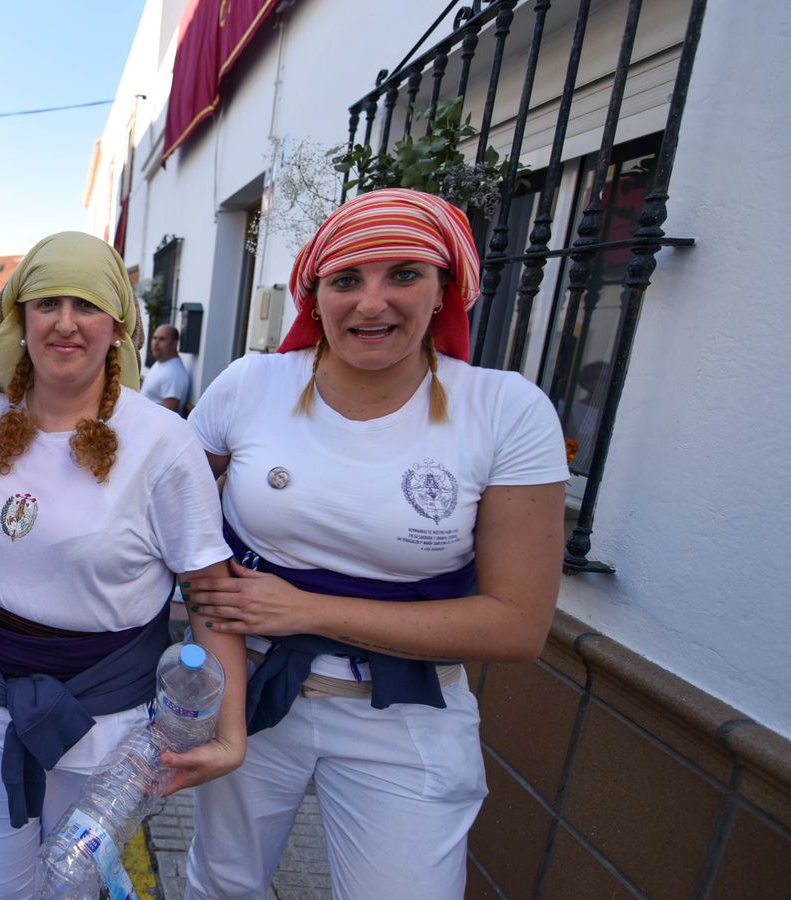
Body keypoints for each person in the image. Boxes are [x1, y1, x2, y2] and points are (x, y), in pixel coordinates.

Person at [182, 188, 568, 899]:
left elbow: (518, 626)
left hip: (409, 711)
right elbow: (176, 520)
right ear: (315, 294)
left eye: (404, 274)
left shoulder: (506, 411)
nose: (371, 303)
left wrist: (307, 611)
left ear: (445, 288)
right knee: (222, 885)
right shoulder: (251, 385)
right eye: (347, 280)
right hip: (253, 689)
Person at [0, 232, 247, 897]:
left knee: (76, 891)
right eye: (46, 302)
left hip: (107, 728)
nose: (65, 322)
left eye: (86, 303)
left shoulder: (162, 442)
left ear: (118, 325)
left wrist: (230, 735)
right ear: (20, 319)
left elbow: (209, 593)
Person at [142, 323, 191, 413]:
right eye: (154, 338)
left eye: (162, 339)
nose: (156, 343)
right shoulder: (162, 362)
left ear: (174, 343)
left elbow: (168, 413)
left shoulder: (174, 373)